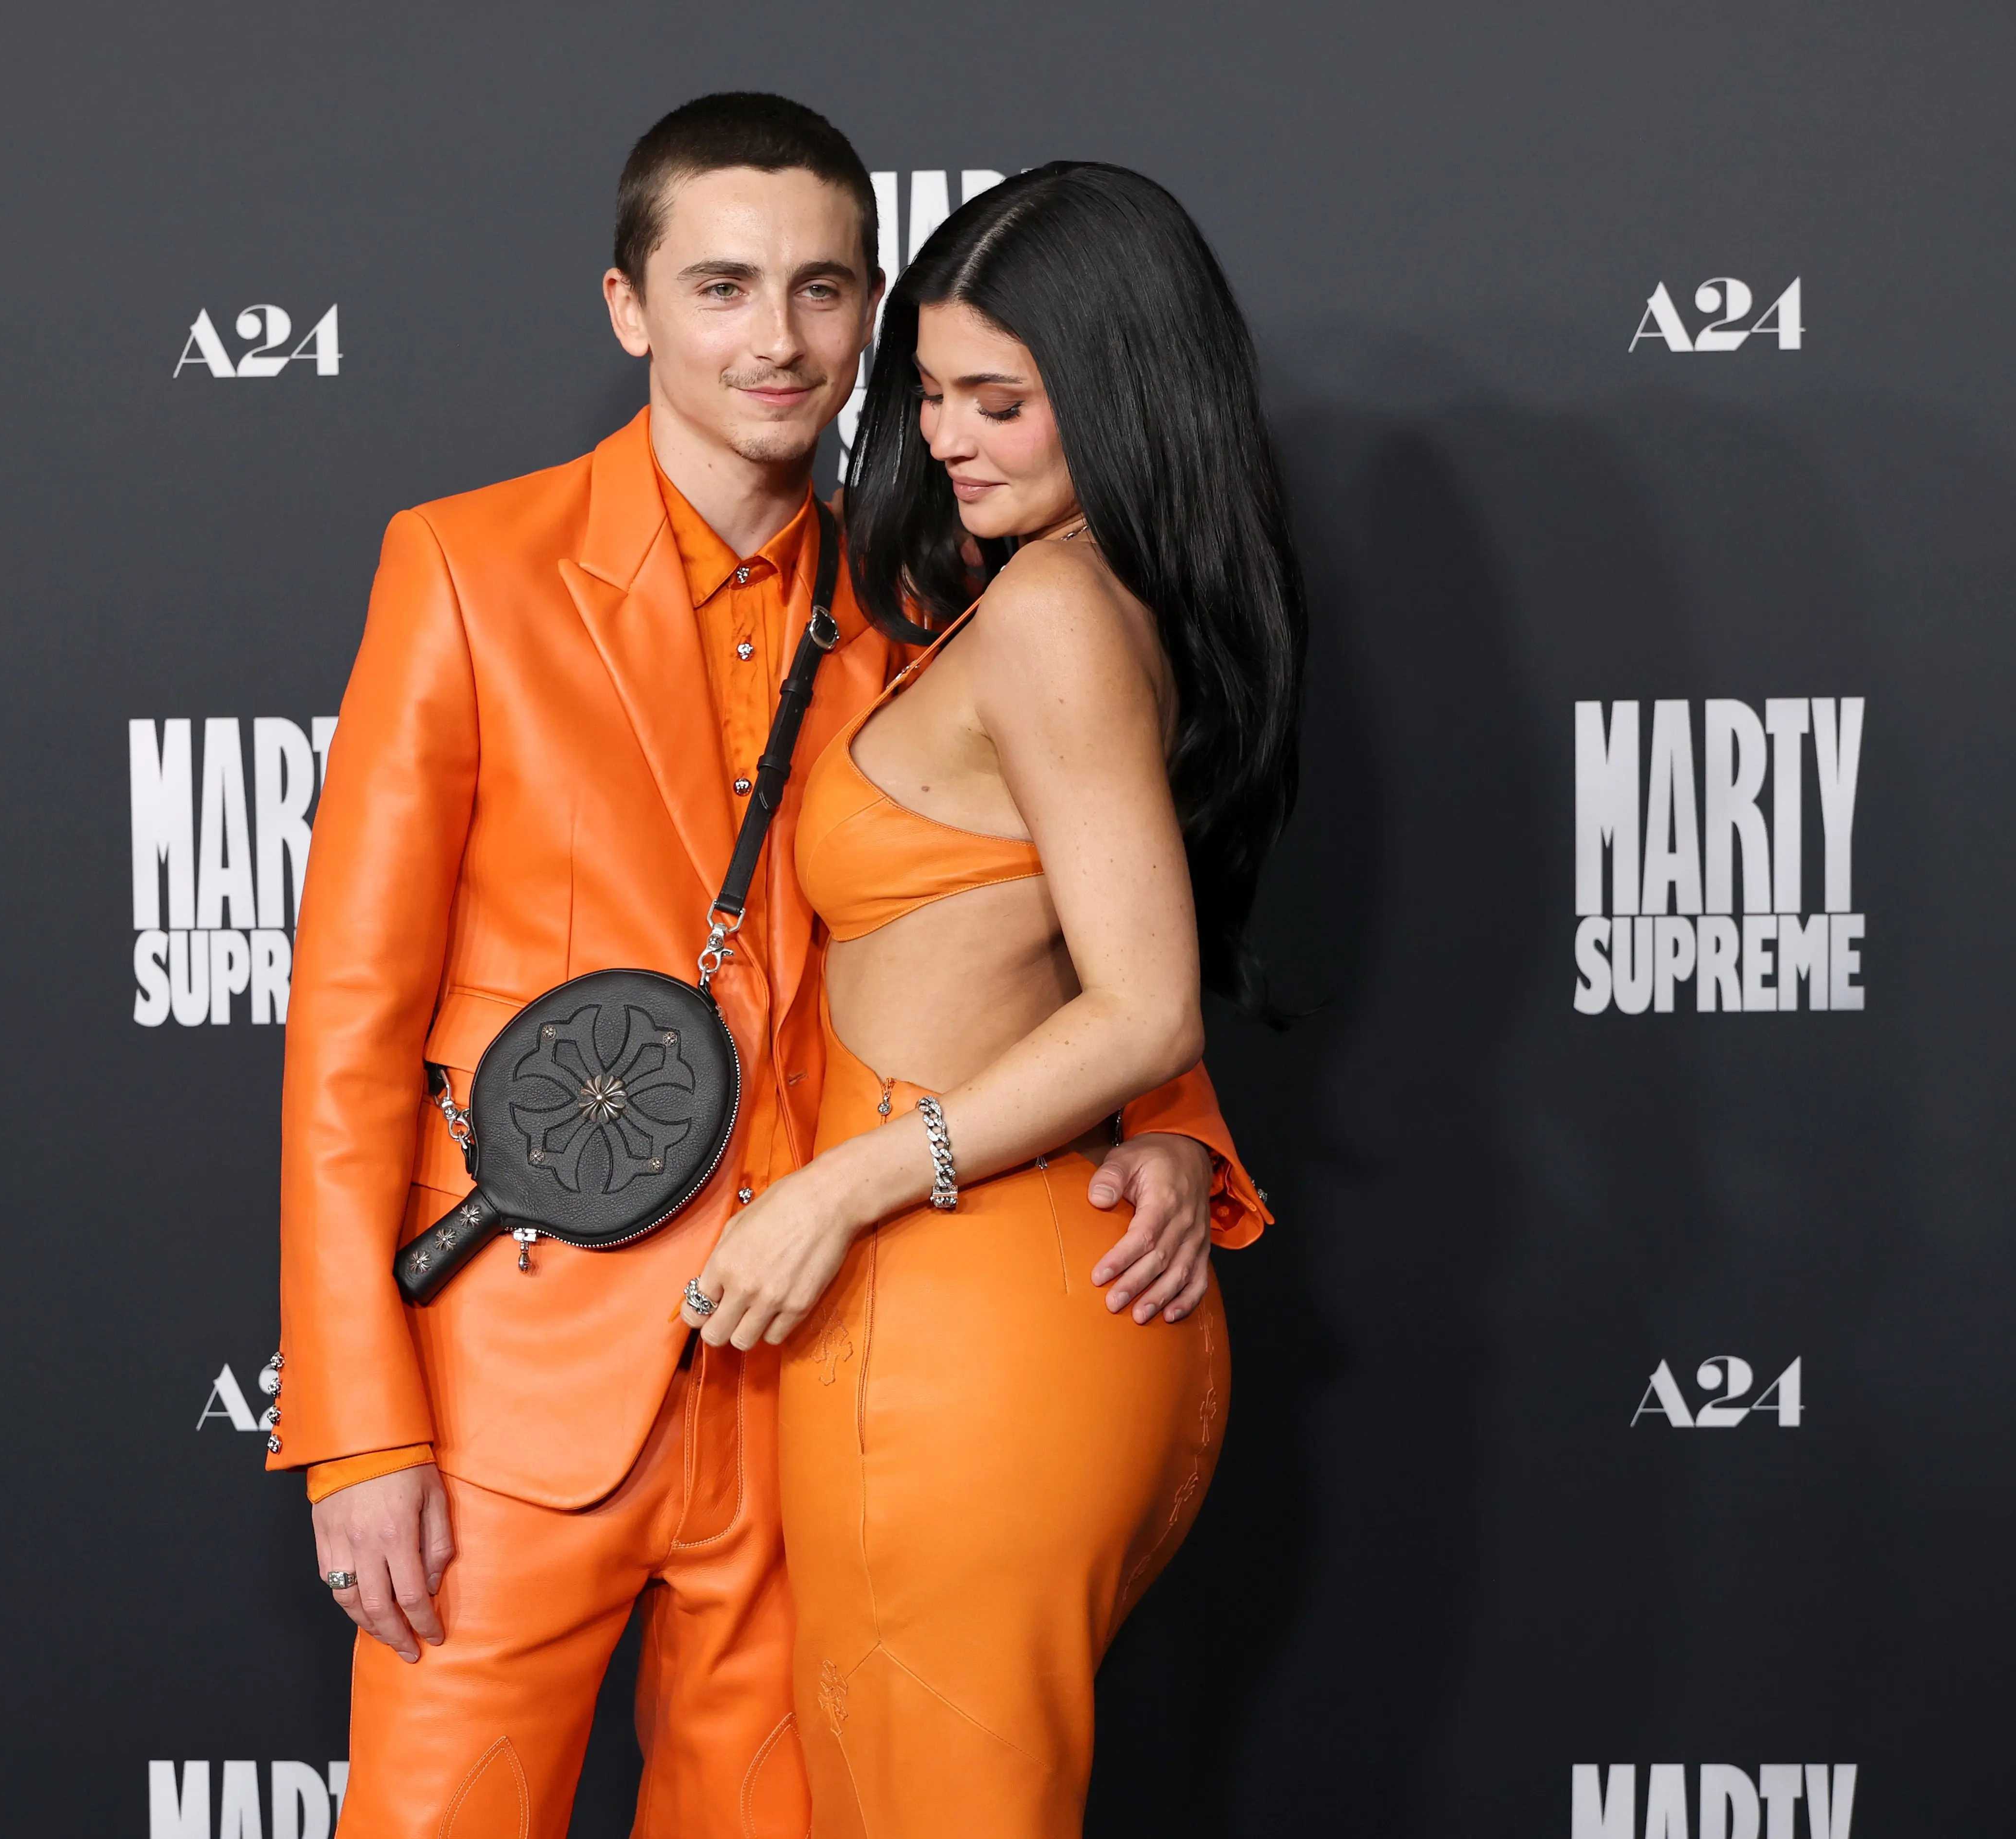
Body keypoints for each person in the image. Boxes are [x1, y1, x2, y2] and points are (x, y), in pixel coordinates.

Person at [268, 98, 1269, 1837]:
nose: (778, 339)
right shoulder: (466, 571)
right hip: (518, 1389)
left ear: (871, 311)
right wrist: (361, 1433)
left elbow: (1022, 913)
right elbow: (348, 1033)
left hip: (817, 1377)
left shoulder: (934, 590)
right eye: (722, 286)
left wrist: (1171, 1124)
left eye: (822, 289)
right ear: (627, 308)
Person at [678, 162, 1307, 1836]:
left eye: (1001, 401)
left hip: (951, 1321)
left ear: (1120, 395)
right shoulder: (1065, 598)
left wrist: (838, 1190)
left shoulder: (1049, 618)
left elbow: (1146, 1008)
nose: (949, 439)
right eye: (933, 393)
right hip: (1018, 1306)